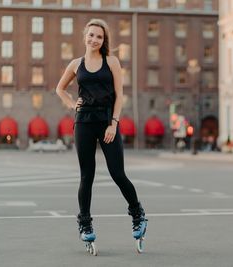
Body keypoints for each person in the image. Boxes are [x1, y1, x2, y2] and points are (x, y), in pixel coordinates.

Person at [55, 19, 147, 247]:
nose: (94, 40)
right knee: (87, 176)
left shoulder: (112, 62)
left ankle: (138, 215)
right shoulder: (76, 64)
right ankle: (85, 224)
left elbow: (119, 95)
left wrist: (113, 123)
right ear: (85, 36)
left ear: (104, 41)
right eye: (92, 35)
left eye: (99, 37)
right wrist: (70, 103)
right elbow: (59, 88)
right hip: (84, 121)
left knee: (118, 173)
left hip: (107, 121)